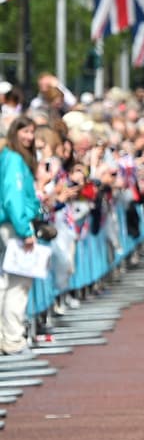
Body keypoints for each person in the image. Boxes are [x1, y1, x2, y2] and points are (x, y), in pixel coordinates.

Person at [0, 116, 43, 354]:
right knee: (19, 284)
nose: (28, 137)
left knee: (5, 283)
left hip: (8, 223)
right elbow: (13, 197)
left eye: (31, 132)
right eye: (25, 132)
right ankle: (13, 339)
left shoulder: (8, 157)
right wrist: (25, 230)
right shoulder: (14, 160)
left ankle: (4, 336)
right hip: (15, 225)